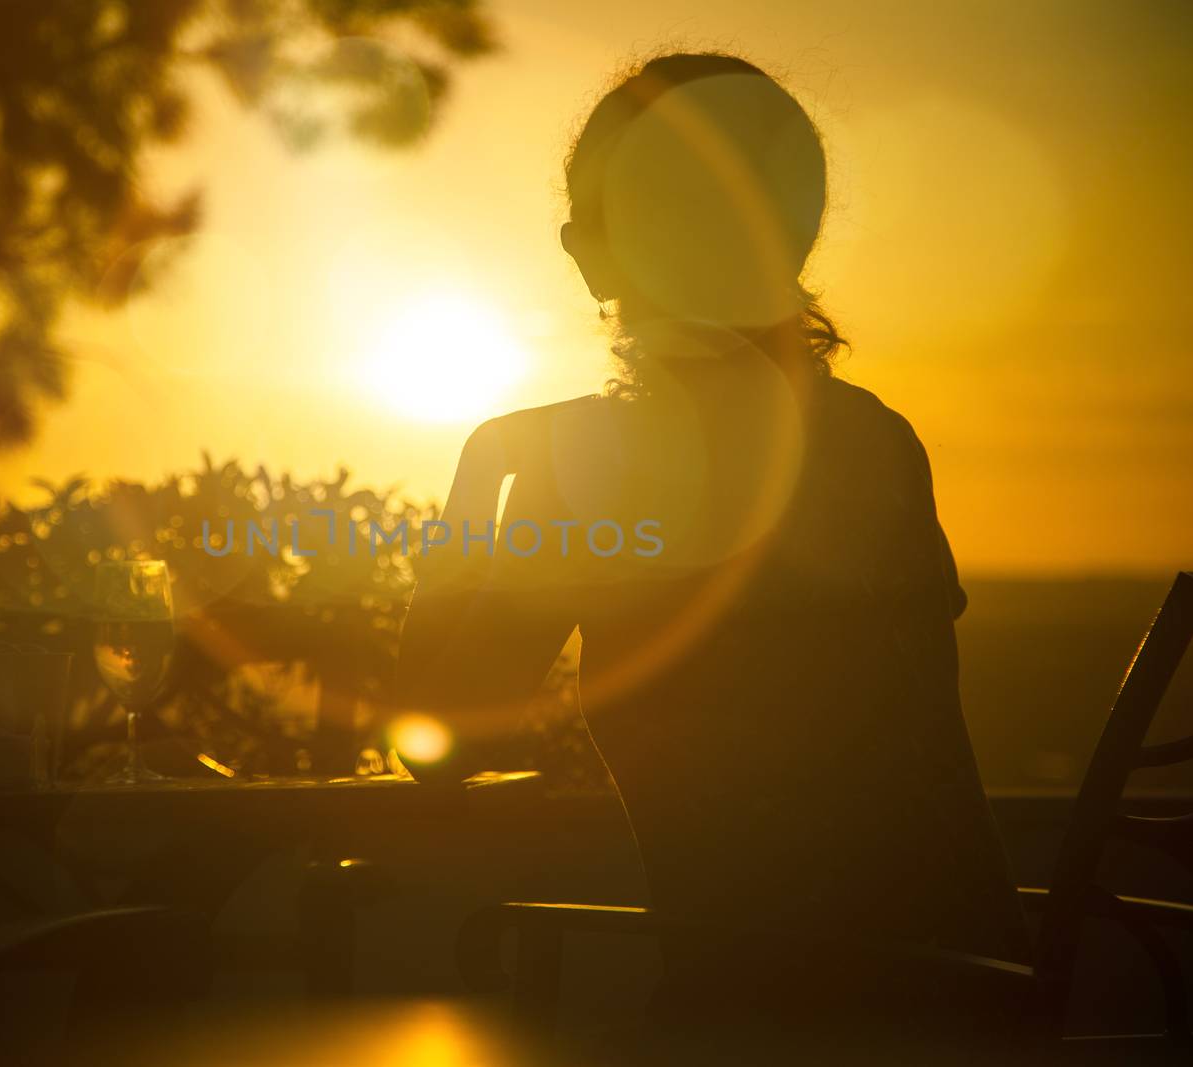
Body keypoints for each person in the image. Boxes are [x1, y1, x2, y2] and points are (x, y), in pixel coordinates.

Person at [394, 52, 1029, 1031]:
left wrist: (467, 516)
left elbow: (441, 736)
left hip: (762, 1004)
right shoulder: (877, 437)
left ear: (591, 253)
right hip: (969, 982)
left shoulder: (586, 460)